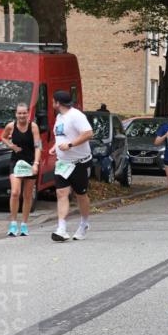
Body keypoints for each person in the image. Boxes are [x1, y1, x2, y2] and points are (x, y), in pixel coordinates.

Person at [49, 90, 94, 242]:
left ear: (58, 103)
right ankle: (61, 229)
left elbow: (88, 133)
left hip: (79, 163)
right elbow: (62, 136)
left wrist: (70, 144)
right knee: (61, 193)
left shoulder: (76, 115)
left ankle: (84, 223)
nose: (52, 103)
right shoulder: (59, 117)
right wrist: (55, 147)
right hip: (62, 163)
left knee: (81, 195)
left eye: (53, 101)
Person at [0, 102, 41, 236]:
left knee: (27, 195)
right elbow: (3, 137)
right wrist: (12, 146)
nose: (22, 115)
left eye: (24, 113)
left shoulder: (33, 127)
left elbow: (38, 146)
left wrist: (36, 163)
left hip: (29, 162)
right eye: (19, 113)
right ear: (16, 114)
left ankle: (24, 224)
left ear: (28, 114)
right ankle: (12, 224)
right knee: (15, 192)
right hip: (16, 162)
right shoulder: (11, 126)